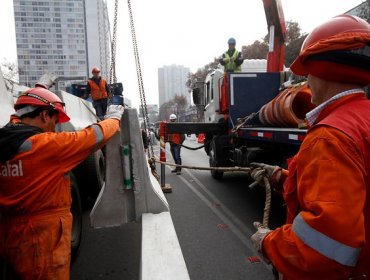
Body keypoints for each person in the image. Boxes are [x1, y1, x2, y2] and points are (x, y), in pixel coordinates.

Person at [250, 15, 370, 279]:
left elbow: (324, 249)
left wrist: (268, 242)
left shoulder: (329, 138)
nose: (306, 83)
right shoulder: (362, 119)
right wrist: (281, 176)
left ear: (322, 71)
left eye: (308, 74)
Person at [0, 87, 124, 279]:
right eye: (55, 119)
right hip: (42, 242)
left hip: (11, 237)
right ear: (43, 115)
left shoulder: (6, 141)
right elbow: (91, 138)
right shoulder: (45, 147)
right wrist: (114, 119)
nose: (56, 125)